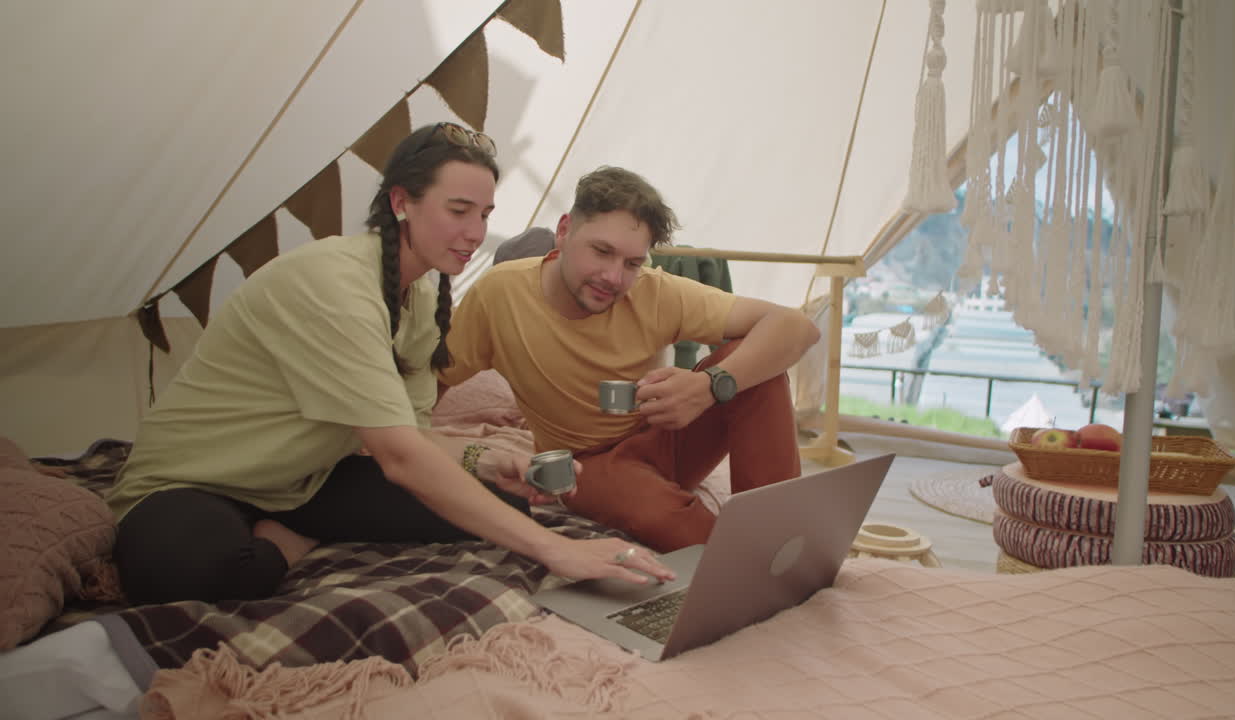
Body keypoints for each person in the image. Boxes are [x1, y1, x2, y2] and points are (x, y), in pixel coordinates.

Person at [106, 124, 673, 605]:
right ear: (402, 202)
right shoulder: (333, 285)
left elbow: (416, 435)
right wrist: (560, 550)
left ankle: (292, 523)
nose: (475, 233)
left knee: (495, 502)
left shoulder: (421, 298)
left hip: (303, 480)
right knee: (181, 573)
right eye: (458, 211)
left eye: (485, 214)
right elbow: (400, 458)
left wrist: (483, 458)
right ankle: (288, 541)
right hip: (198, 481)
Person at [438, 166, 820, 552]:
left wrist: (708, 385)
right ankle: (753, 561)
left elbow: (796, 327)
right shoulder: (499, 294)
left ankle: (775, 534)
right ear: (565, 229)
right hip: (589, 463)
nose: (613, 277)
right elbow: (427, 390)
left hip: (667, 436)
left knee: (754, 364)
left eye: (632, 263)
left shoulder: (656, 292)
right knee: (672, 525)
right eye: (602, 251)